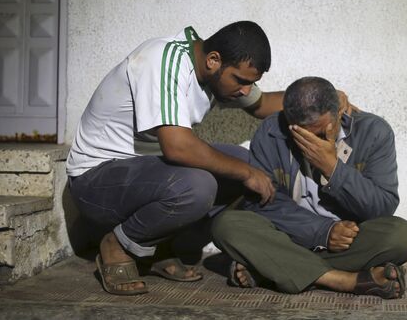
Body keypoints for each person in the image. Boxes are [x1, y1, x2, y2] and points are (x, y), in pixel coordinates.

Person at [67, 21, 351, 295]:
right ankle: (117, 244)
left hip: (142, 175)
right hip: (96, 181)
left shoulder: (216, 71)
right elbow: (177, 147)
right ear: (214, 60)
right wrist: (246, 173)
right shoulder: (163, 60)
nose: (244, 90)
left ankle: (158, 249)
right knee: (201, 184)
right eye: (240, 81)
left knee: (248, 164)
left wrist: (324, 100)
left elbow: (263, 104)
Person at [212, 76, 407, 299]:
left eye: (320, 133)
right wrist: (323, 232)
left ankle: (270, 267)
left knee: (401, 236)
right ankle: (345, 280)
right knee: (226, 225)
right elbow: (262, 204)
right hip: (289, 235)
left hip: (347, 240)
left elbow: (382, 206)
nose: (312, 142)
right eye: (301, 134)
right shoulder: (270, 132)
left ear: (339, 111)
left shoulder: (373, 131)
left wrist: (333, 169)